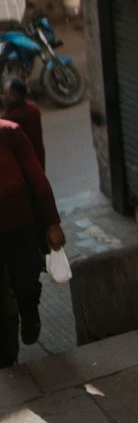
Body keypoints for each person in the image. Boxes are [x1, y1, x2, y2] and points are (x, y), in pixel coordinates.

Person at [0, 116, 64, 365]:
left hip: (20, 229)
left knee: (26, 285)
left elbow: (37, 178)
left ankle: (29, 313)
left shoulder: (11, 132)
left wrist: (53, 223)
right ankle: (7, 358)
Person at [1, 77, 45, 168]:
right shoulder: (33, 107)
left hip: (24, 166)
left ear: (15, 96)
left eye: (5, 93)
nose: (2, 96)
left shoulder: (13, 117)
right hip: (37, 160)